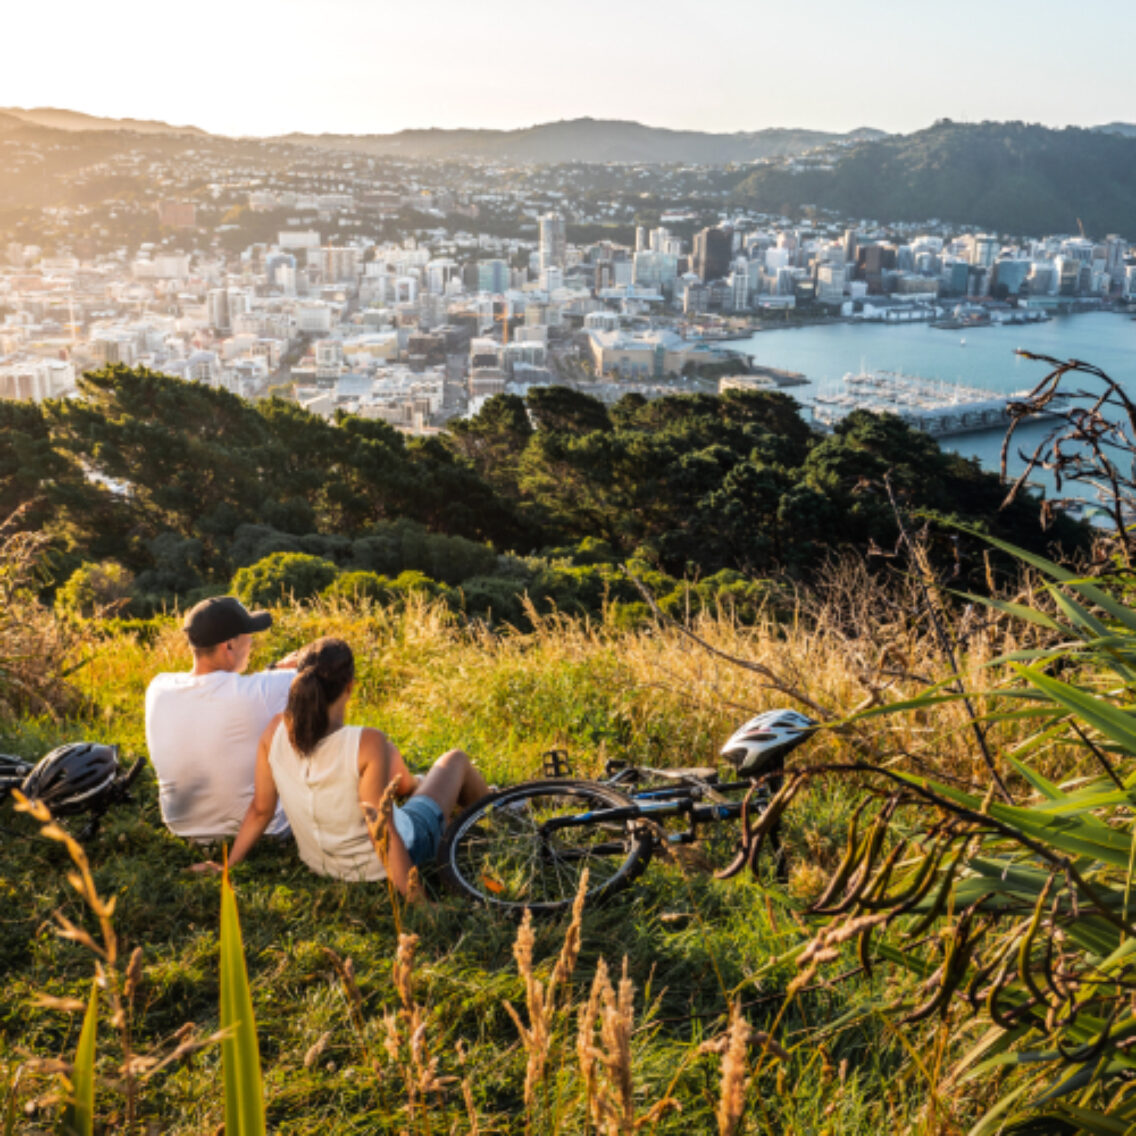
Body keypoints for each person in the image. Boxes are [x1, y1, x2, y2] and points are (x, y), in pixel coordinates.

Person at [213, 637, 489, 894]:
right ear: (349, 686)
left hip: (320, 864)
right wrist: (419, 902)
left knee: (403, 771)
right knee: (455, 760)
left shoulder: (275, 730)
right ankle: (503, 813)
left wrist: (228, 866)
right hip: (385, 863)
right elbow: (381, 829)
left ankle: (436, 796)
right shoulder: (367, 742)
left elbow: (261, 810)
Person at [145, 596, 306, 841]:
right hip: (265, 831)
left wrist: (272, 672)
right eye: (248, 636)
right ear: (228, 646)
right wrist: (291, 665)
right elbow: (319, 670)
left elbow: (228, 691)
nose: (251, 642)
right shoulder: (263, 692)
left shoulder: (159, 687)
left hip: (182, 827)